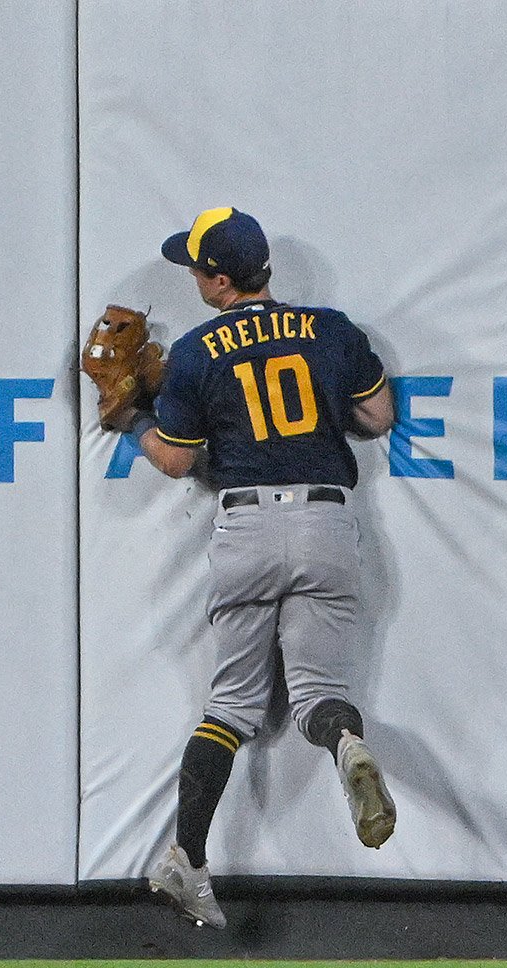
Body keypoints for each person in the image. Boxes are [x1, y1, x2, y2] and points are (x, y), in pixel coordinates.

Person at [124, 207, 397, 929]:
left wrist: (132, 418)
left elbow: (177, 459)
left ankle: (188, 858)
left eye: (195, 267)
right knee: (317, 694)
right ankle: (345, 742)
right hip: (325, 518)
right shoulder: (330, 329)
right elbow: (377, 417)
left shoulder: (196, 350)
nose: (191, 277)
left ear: (218, 279)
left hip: (246, 522)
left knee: (231, 708)